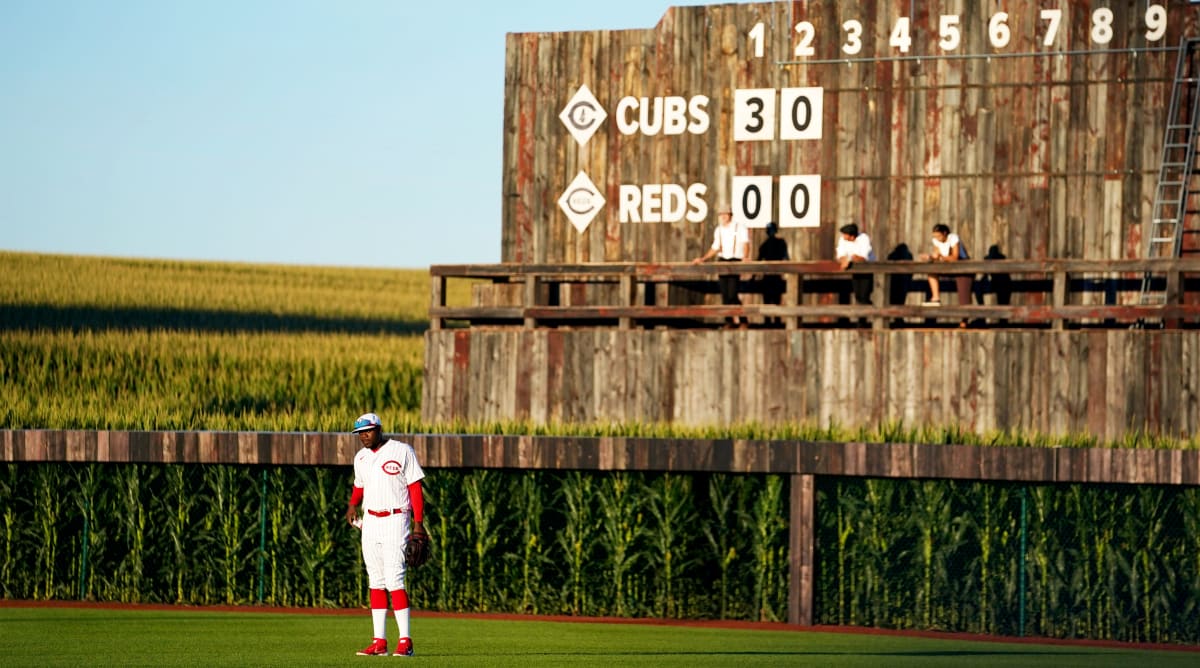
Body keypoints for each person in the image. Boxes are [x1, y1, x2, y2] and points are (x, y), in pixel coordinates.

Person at [346, 412, 427, 657]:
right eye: (360, 432)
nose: (364, 436)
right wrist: (352, 504)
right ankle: (379, 642)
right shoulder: (360, 457)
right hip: (369, 521)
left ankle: (406, 641)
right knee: (376, 582)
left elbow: (415, 487)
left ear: (379, 429)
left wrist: (418, 524)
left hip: (396, 519)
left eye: (368, 430)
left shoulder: (401, 451)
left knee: (395, 580)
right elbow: (359, 486)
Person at [693, 205, 750, 328]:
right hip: (722, 260)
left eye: (725, 214)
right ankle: (729, 321)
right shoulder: (719, 230)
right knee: (724, 293)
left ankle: (743, 320)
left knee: (732, 293)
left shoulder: (739, 228)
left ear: (730, 215)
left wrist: (745, 257)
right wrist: (703, 258)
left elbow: (745, 243)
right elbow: (716, 247)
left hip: (735, 260)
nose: (723, 216)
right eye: (721, 214)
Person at [920, 223, 972, 308]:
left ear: (944, 233)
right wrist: (929, 257)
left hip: (962, 266)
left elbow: (955, 257)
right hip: (948, 266)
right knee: (931, 271)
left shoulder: (953, 238)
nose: (937, 239)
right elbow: (937, 255)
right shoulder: (936, 241)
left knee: (964, 299)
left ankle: (964, 320)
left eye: (939, 236)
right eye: (935, 236)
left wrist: (941, 257)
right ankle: (936, 297)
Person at [756, 221, 789, 325]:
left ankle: (768, 322)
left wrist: (753, 276)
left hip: (768, 276)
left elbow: (758, 261)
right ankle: (776, 322)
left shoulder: (764, 245)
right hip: (775, 276)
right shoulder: (780, 243)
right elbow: (786, 258)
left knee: (768, 301)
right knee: (775, 300)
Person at [835, 223, 876, 306]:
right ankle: (863, 316)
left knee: (864, 295)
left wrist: (849, 259)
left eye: (845, 235)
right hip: (855, 270)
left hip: (867, 269)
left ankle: (868, 313)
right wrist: (844, 259)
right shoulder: (842, 240)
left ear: (852, 236)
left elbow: (863, 257)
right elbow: (841, 253)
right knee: (858, 296)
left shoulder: (864, 239)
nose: (843, 236)